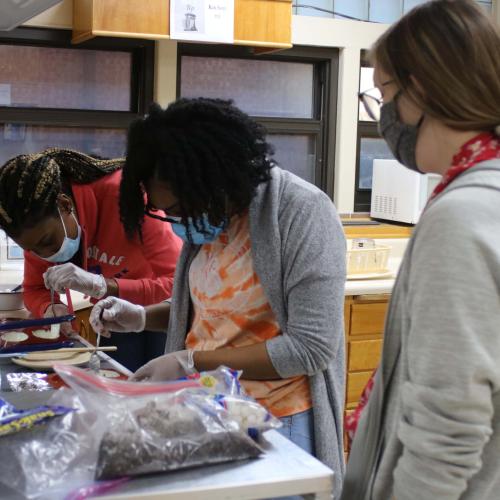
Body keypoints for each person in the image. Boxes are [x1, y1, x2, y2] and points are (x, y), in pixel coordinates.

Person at [90, 98, 347, 496]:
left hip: (276, 422)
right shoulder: (210, 220)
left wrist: (191, 361)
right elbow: (211, 311)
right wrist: (140, 317)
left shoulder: (301, 213)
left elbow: (311, 349)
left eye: (177, 207)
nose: (176, 220)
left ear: (211, 178)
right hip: (207, 410)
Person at [341, 1, 500, 499]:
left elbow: (447, 427)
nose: (386, 115)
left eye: (385, 92)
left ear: (424, 89)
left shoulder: (463, 215)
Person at [0, 148, 182, 371]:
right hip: (114, 314)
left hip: (162, 309)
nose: (45, 254)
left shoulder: (126, 198)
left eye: (47, 242)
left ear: (65, 205)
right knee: (115, 382)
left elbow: (178, 286)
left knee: (159, 386)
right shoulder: (34, 225)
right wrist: (51, 308)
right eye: (31, 250)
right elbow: (35, 288)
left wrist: (104, 286)